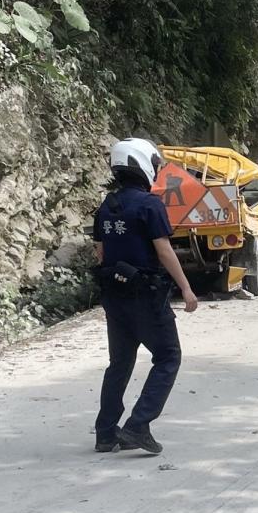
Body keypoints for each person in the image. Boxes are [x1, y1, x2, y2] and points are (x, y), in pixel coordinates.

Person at [92, 138, 198, 455]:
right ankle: (138, 426)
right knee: (168, 357)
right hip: (146, 297)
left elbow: (100, 252)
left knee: (120, 364)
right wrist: (186, 288)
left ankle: (106, 433)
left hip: (114, 296)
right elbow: (163, 250)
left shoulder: (106, 206)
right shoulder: (150, 205)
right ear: (143, 165)